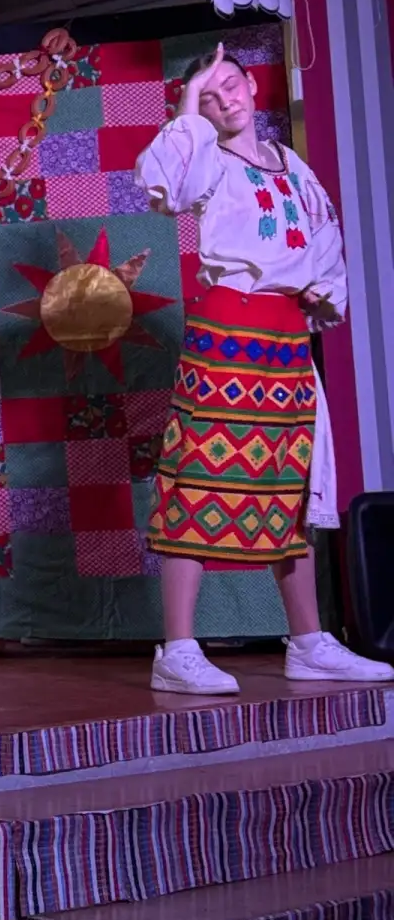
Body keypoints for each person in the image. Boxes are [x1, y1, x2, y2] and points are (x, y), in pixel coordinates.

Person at [135, 43, 393, 696]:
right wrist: (189, 104)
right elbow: (165, 185)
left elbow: (324, 242)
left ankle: (309, 643)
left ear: (252, 86)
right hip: (228, 331)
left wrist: (322, 293)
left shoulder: (291, 165)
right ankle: (178, 648)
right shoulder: (208, 159)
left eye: (230, 84)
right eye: (209, 94)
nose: (225, 99)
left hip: (285, 336)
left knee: (290, 481)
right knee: (201, 474)